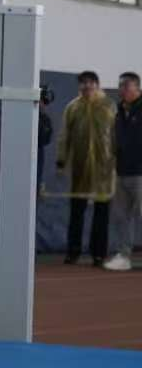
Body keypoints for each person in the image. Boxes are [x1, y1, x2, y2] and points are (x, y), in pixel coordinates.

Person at [58, 70, 115, 266]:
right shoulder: (72, 107)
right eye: (83, 83)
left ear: (97, 85)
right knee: (77, 211)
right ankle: (73, 252)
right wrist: (61, 160)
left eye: (91, 82)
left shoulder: (109, 106)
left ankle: (98, 254)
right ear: (79, 86)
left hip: (104, 168)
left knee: (101, 212)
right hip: (80, 167)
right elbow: (65, 136)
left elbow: (117, 135)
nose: (87, 86)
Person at [107, 72, 141, 272]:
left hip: (140, 172)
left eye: (126, 86)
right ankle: (123, 255)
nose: (122, 90)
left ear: (137, 88)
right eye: (120, 86)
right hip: (122, 171)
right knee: (121, 217)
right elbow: (115, 139)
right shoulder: (119, 111)